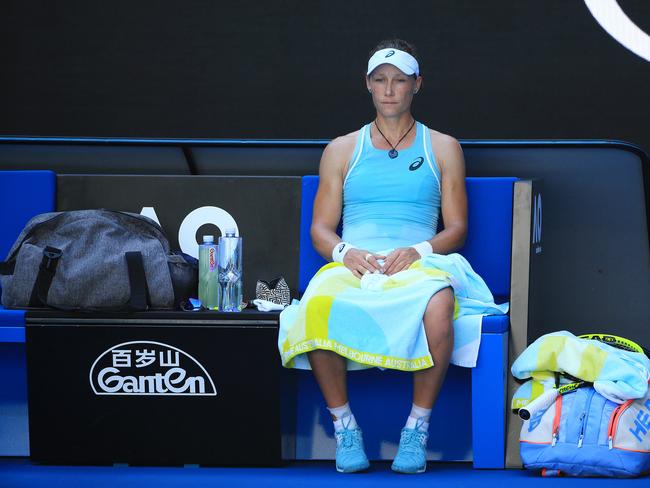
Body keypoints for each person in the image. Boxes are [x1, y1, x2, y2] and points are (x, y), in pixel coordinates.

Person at [279, 39, 493, 474]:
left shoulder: (444, 147)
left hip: (421, 261)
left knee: (439, 308)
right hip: (354, 262)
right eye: (381, 81)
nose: (390, 90)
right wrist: (346, 251)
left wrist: (415, 252)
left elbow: (456, 229)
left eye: (399, 81)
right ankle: (344, 428)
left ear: (417, 85)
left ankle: (417, 429)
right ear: (369, 86)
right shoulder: (341, 149)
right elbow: (321, 229)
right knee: (317, 308)